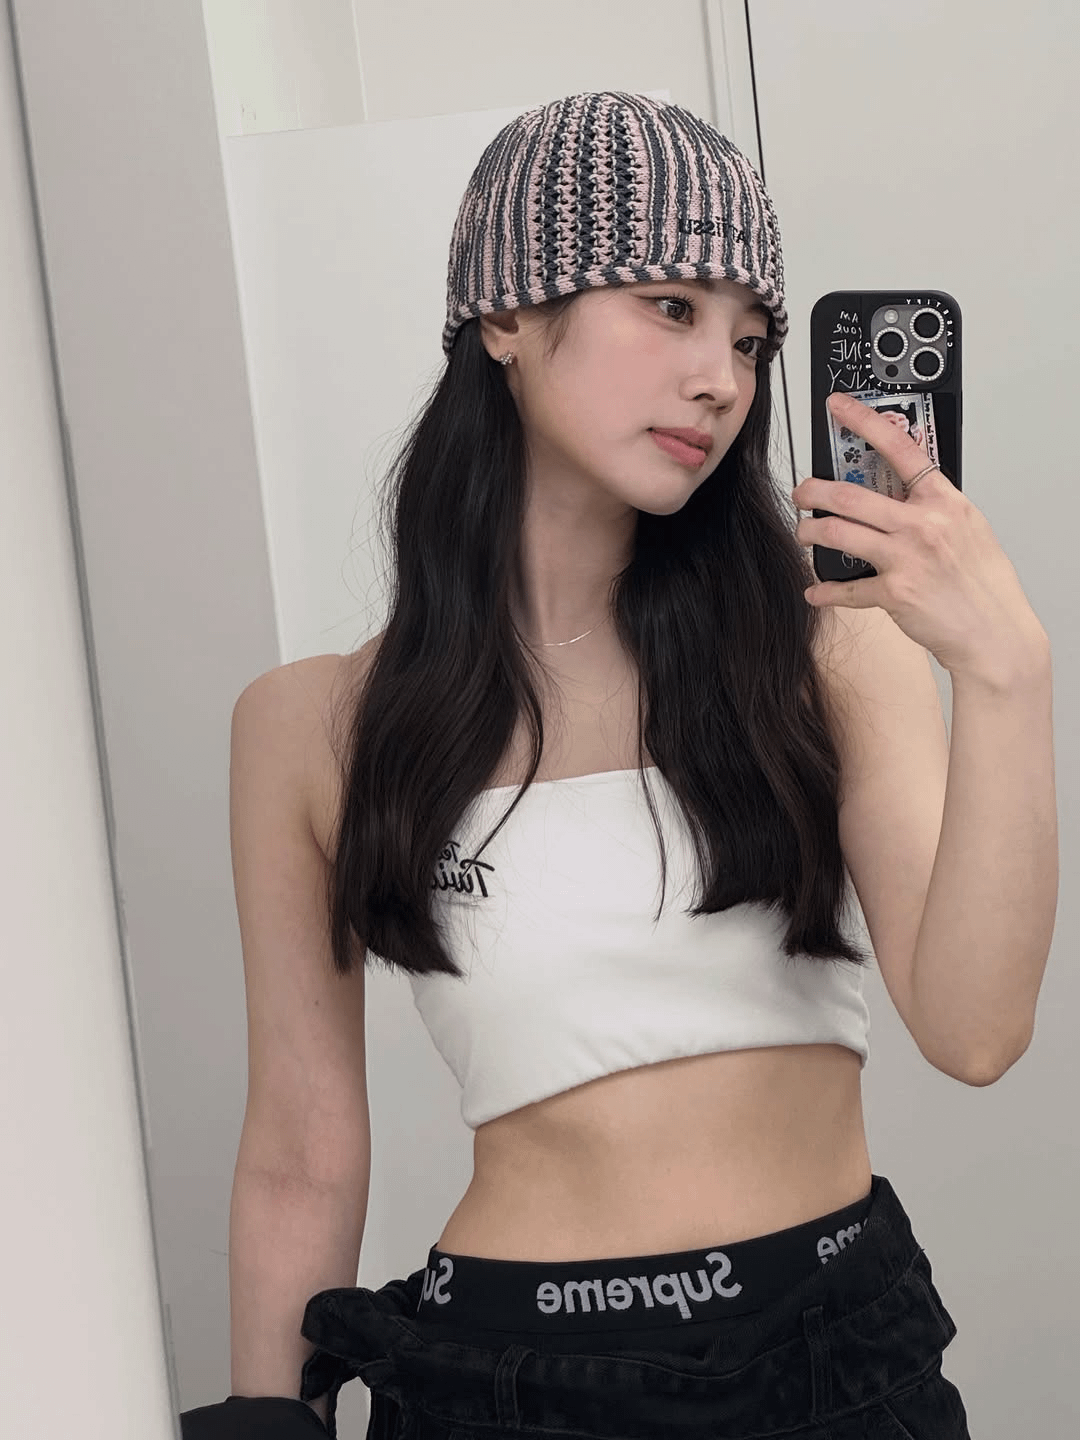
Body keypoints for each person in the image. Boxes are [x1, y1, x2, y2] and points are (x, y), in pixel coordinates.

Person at [182, 92, 971, 1439]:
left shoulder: (831, 655)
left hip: (835, 1360)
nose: (722, 377)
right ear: (504, 315)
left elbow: (976, 1029)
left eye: (750, 337)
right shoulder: (313, 727)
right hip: (508, 1385)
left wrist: (1005, 673)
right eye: (669, 305)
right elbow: (302, 1153)